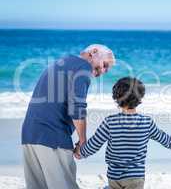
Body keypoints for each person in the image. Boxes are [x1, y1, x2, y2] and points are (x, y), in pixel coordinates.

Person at [21, 44, 115, 189]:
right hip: (51, 137)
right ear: (93, 52)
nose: (103, 71)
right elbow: (77, 108)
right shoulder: (83, 68)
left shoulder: (62, 62)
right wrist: (83, 141)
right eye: (104, 65)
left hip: (29, 135)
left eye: (107, 69)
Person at [74, 77, 171, 189]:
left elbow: (94, 145)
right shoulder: (146, 122)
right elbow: (164, 139)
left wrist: (81, 152)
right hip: (136, 177)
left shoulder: (110, 122)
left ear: (116, 98)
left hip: (114, 176)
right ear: (139, 99)